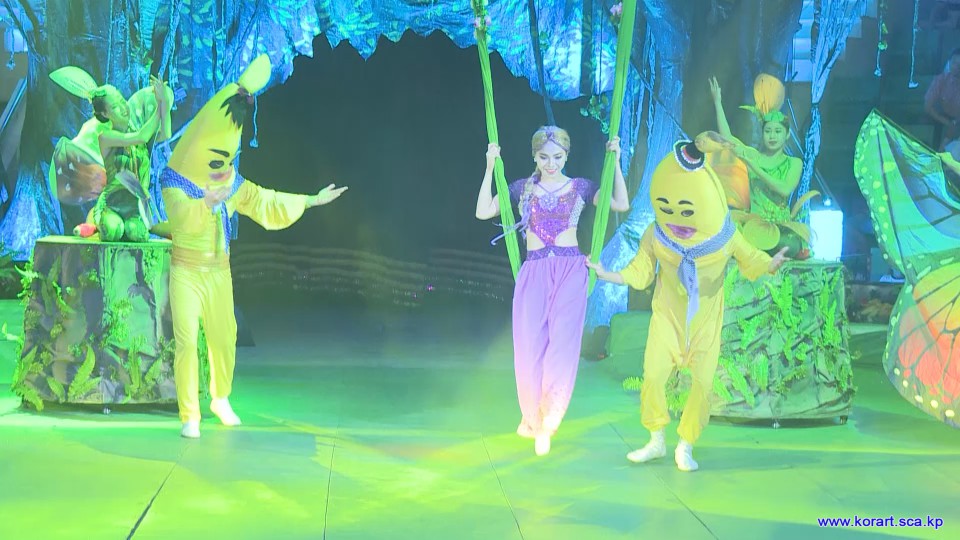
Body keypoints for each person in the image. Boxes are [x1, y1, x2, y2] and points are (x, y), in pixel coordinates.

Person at [162, 55, 348, 438]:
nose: (223, 167)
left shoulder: (229, 183)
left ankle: (220, 398)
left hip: (219, 271)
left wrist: (310, 200)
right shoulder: (176, 182)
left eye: (227, 159)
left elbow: (264, 201)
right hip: (186, 270)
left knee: (224, 336)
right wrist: (205, 203)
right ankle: (189, 414)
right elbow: (180, 219)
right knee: (186, 340)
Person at [587, 134, 788, 471]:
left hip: (704, 324)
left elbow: (752, 257)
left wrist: (770, 264)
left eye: (686, 210)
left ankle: (686, 444)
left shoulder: (725, 237)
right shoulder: (658, 234)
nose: (677, 217)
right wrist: (608, 274)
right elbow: (640, 270)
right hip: (667, 318)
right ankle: (655, 440)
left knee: (703, 385)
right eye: (669, 209)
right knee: (653, 376)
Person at [475, 126, 630, 456]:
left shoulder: (580, 187)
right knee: (529, 346)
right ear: (534, 156)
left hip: (570, 270)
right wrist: (490, 167)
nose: (551, 163)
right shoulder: (523, 188)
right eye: (544, 157)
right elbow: (483, 210)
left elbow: (620, 202)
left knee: (562, 344)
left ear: (566, 156)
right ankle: (532, 417)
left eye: (557, 157)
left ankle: (549, 421)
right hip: (534, 271)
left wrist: (616, 161)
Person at [49, 68, 173, 239]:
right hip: (113, 204)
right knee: (114, 231)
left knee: (136, 233)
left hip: (135, 207)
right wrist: (159, 105)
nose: (123, 107)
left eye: (122, 101)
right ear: (105, 113)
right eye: (115, 106)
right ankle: (95, 223)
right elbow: (142, 136)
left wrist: (164, 102)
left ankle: (121, 225)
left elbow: (166, 133)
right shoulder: (106, 137)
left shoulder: (138, 129)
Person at [709, 76, 808, 256]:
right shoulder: (753, 156)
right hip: (754, 226)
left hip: (780, 229)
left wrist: (754, 167)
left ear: (787, 135)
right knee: (730, 235)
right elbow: (727, 138)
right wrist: (717, 102)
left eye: (777, 131)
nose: (772, 136)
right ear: (762, 134)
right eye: (768, 131)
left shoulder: (794, 163)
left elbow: (784, 189)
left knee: (789, 244)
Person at [925, 48, 960, 150]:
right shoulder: (940, 80)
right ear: (949, 62)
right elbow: (927, 107)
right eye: (954, 63)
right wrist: (947, 123)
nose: (957, 67)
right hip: (940, 119)